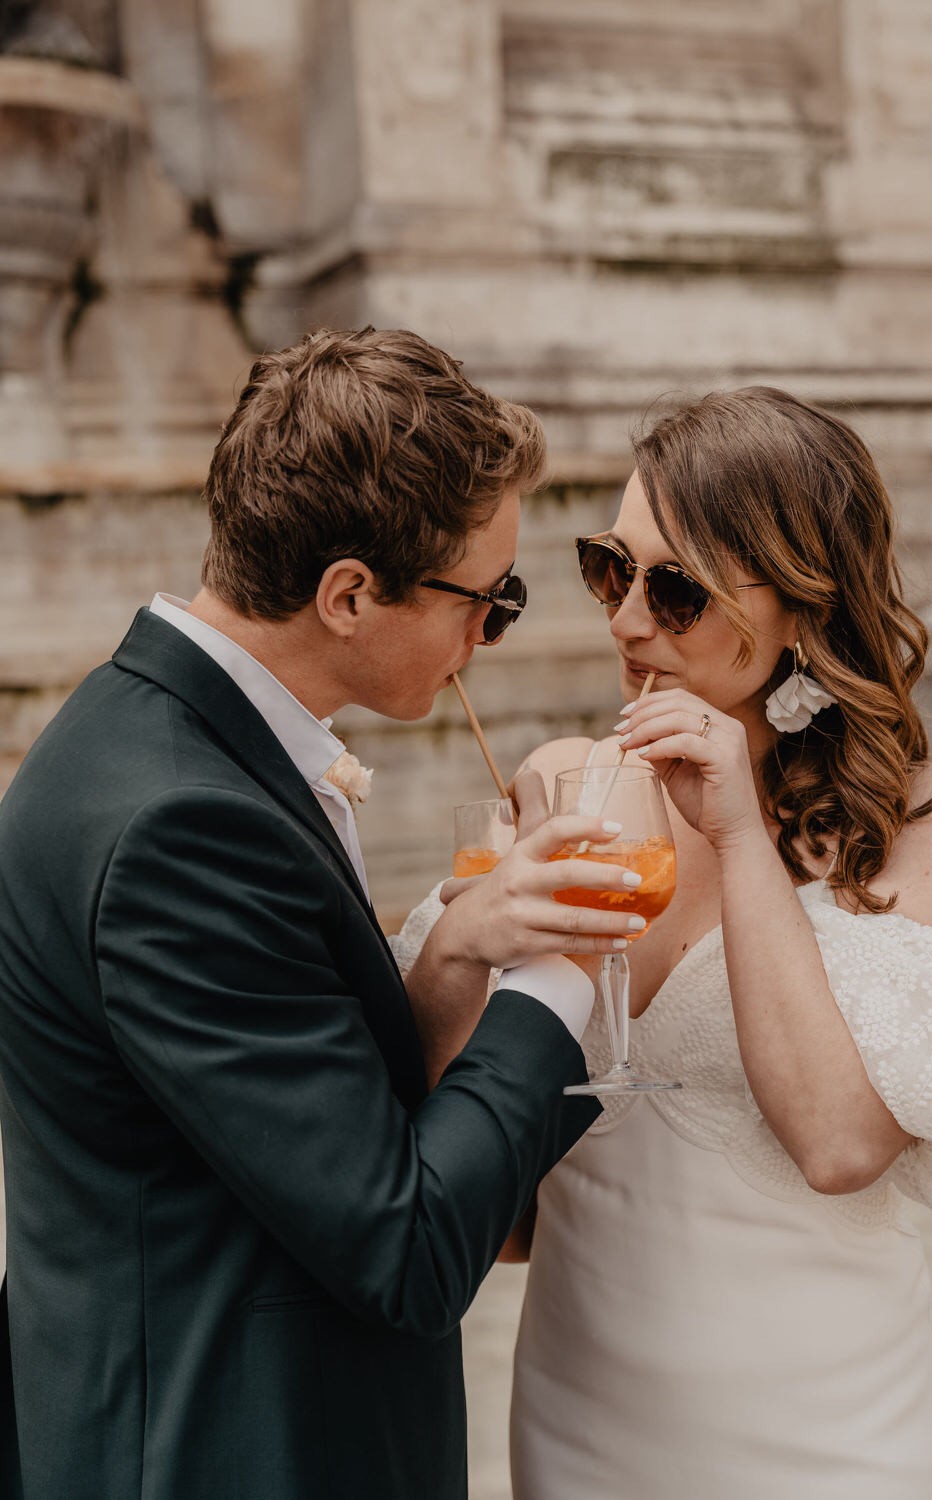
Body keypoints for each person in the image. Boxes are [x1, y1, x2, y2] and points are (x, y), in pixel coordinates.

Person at [0, 326, 653, 1500]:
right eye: (486, 597)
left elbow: (307, 1101)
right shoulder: (177, 826)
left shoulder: (157, 738)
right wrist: (558, 971)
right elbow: (403, 1248)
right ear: (348, 593)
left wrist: (456, 949)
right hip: (227, 1448)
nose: (486, 636)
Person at [392, 386, 932, 1499]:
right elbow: (501, 1215)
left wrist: (733, 825)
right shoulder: (572, 790)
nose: (625, 621)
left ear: (806, 609)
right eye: (609, 569)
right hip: (583, 1430)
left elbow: (836, 1147)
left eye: (672, 589)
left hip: (835, 1440)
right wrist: (471, 948)